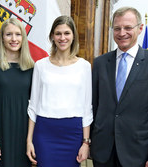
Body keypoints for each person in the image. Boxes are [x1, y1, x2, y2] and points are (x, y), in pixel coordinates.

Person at [90, 7, 148, 167]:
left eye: (128, 27)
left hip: (138, 154)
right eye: (117, 28)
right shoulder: (100, 63)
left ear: (140, 28)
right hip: (103, 152)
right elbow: (94, 107)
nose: (122, 33)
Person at [26, 15, 93, 167]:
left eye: (67, 33)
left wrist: (85, 142)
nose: (62, 37)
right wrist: (29, 140)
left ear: (73, 36)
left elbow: (87, 108)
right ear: (52, 37)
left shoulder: (84, 66)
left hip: (73, 133)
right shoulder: (40, 65)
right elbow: (33, 106)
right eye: (58, 33)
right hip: (45, 132)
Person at [0, 18, 34, 167]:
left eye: (18, 34)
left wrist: (30, 140)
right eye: (9, 34)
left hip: (21, 134)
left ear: (23, 37)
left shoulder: (31, 68)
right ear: (2, 38)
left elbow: (34, 108)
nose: (14, 39)